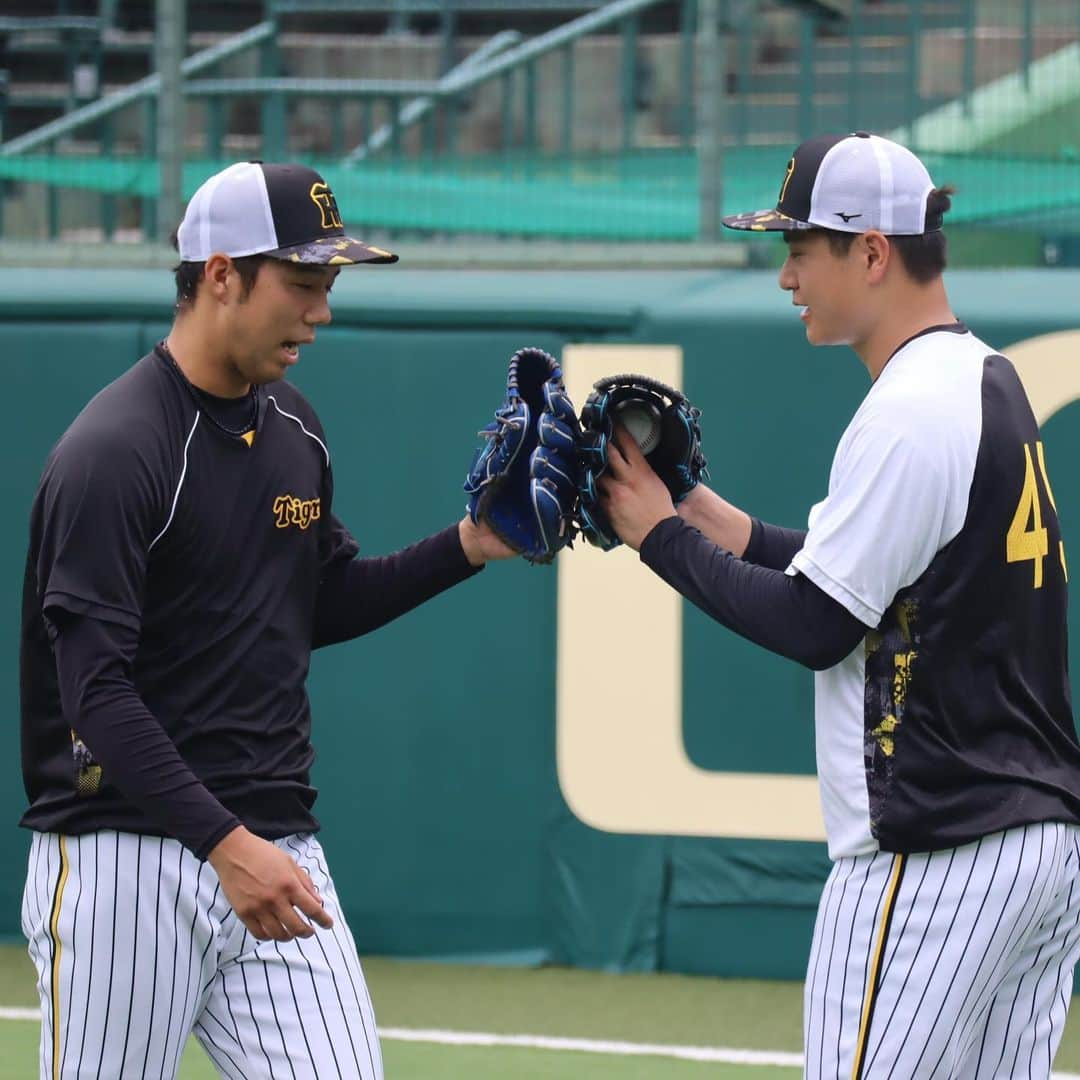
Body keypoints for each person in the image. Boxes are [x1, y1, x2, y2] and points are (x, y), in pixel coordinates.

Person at [597, 132, 1080, 1077]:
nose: (785, 276)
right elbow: (870, 579)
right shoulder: (984, 376)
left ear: (871, 251)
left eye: (800, 249)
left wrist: (657, 536)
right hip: (1035, 846)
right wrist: (704, 515)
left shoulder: (908, 411)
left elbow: (816, 623)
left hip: (933, 847)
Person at [19, 160, 515, 1079]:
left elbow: (314, 604)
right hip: (125, 858)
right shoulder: (115, 449)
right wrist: (222, 843)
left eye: (327, 285)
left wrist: (471, 544)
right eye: (302, 284)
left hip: (277, 846)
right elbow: (92, 690)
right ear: (219, 274)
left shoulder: (294, 426)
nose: (321, 312)